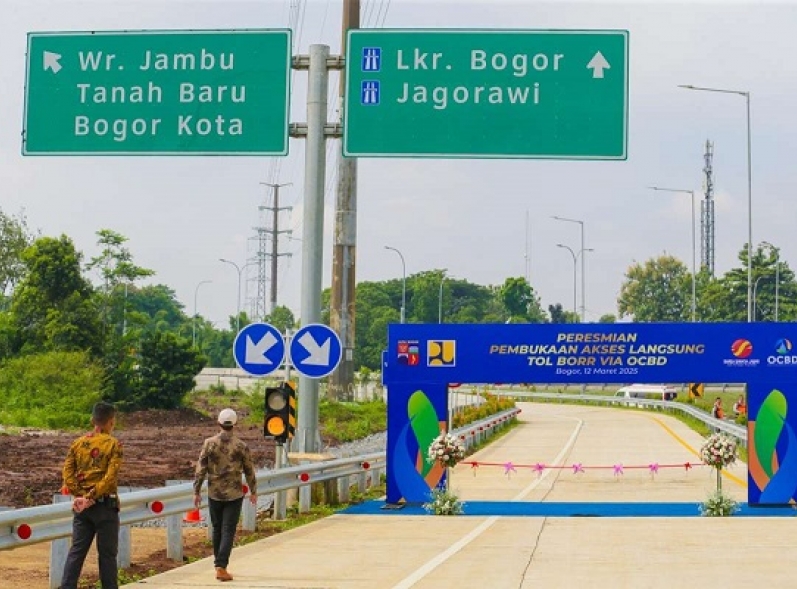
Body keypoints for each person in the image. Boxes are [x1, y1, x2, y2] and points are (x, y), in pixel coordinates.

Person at [60, 401, 123, 589]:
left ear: (92, 420)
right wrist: (92, 496)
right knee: (107, 556)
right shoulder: (113, 444)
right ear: (111, 421)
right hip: (105, 507)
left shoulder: (78, 444)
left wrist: (81, 496)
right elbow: (110, 477)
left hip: (82, 509)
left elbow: (67, 475)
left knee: (76, 553)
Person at [193, 408, 258, 582]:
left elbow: (201, 468)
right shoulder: (241, 446)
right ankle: (221, 566)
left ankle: (219, 565)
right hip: (234, 493)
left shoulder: (209, 443)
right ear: (235, 424)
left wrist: (197, 491)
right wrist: (253, 491)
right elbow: (249, 469)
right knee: (228, 529)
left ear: (219, 423)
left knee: (217, 528)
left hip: (214, 492)